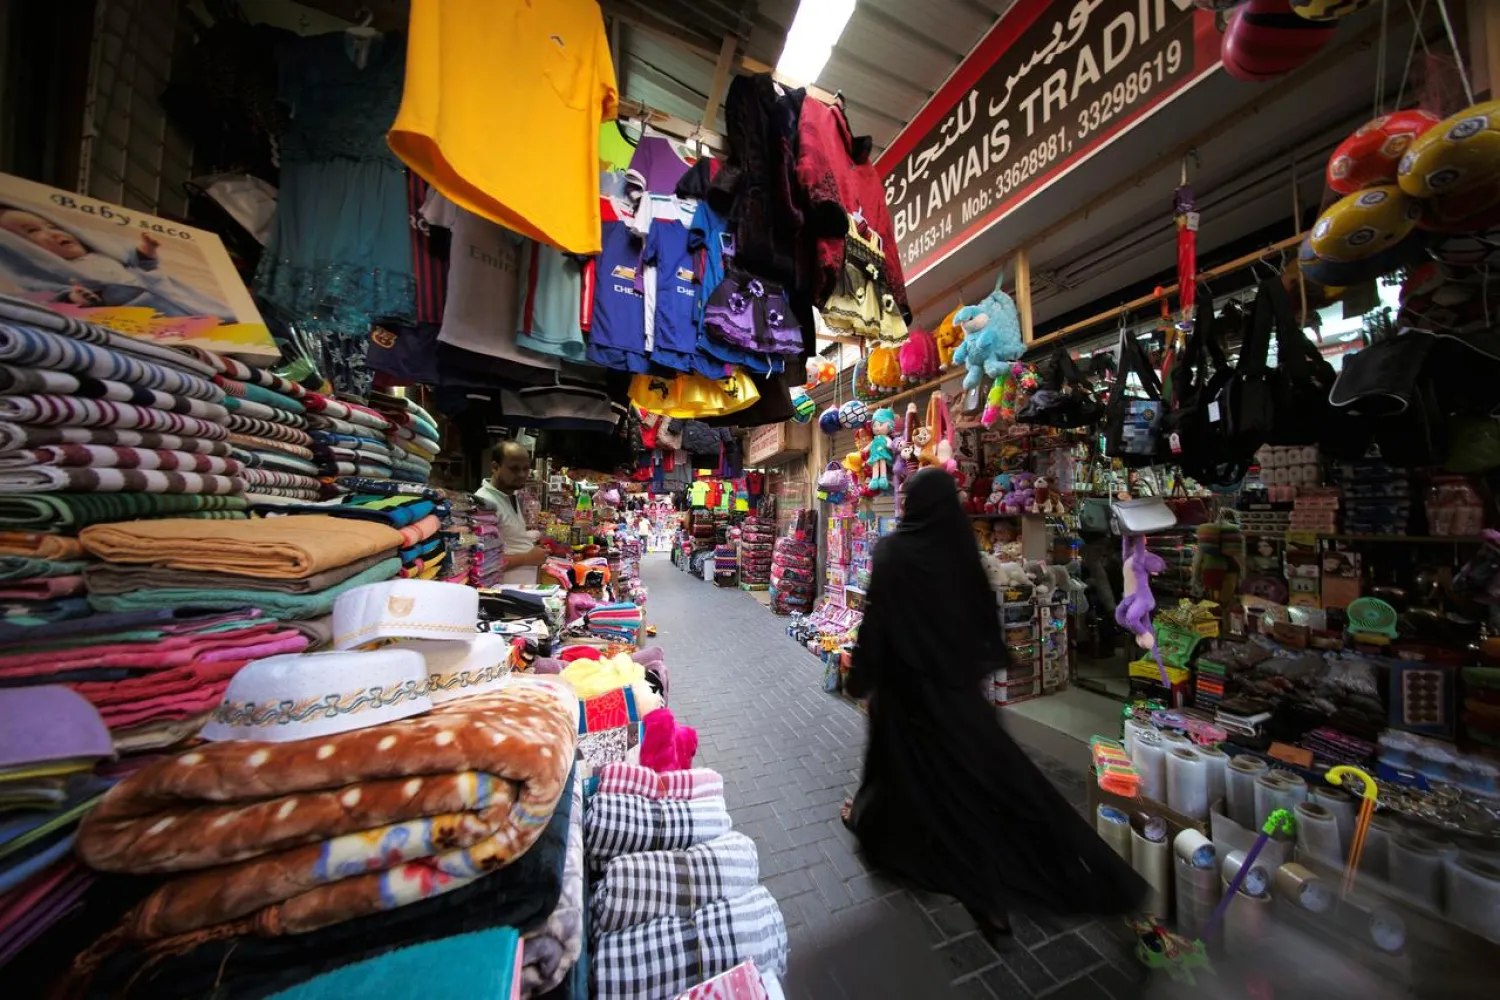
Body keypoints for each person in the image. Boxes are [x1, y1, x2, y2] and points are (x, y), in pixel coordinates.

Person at [842, 469, 1146, 945]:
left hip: (907, 702)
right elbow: (987, 624)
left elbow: (877, 625)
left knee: (907, 784)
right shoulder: (963, 553)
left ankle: (915, 859)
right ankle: (990, 896)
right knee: (982, 796)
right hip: (960, 704)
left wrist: (861, 678)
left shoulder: (893, 552)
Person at [476, 440, 549, 586]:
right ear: (495, 467)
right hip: (503, 593)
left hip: (520, 588)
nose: (522, 474)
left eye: (526, 468)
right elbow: (481, 560)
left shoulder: (510, 495)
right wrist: (528, 558)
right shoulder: (484, 501)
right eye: (514, 469)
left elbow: (508, 541)